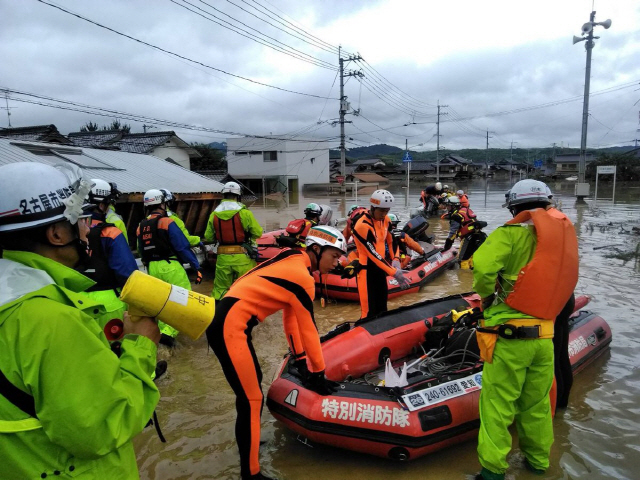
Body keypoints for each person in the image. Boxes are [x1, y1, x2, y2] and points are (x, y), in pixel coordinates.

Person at [0, 162, 160, 479]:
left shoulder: (14, 303)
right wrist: (142, 345)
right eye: (80, 222)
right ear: (57, 234)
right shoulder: (51, 320)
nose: (87, 230)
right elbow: (102, 427)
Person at [206, 225, 346, 480]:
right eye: (335, 256)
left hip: (227, 321)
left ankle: (248, 442)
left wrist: (301, 359)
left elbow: (291, 319)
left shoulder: (293, 259)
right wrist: (319, 373)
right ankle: (251, 475)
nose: (338, 262)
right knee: (251, 399)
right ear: (316, 249)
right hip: (230, 327)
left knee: (251, 393)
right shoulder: (303, 277)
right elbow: (310, 330)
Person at [472, 179, 579, 480]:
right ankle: (538, 463)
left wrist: (487, 296)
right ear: (547, 204)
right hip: (545, 337)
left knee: (497, 405)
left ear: (514, 207)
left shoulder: (510, 234)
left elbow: (481, 266)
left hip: (509, 337)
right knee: (536, 406)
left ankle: (492, 472)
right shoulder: (562, 236)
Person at [137, 188, 202, 346]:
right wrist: (196, 267)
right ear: (162, 204)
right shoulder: (167, 222)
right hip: (170, 266)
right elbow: (182, 246)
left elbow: (140, 250)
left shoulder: (141, 225)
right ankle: (168, 334)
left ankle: (159, 333)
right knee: (183, 301)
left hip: (151, 268)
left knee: (162, 303)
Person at [83, 188, 138, 333]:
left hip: (76, 302)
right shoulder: (110, 232)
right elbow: (128, 273)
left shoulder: (68, 232)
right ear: (102, 205)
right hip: (108, 303)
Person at [352, 190, 410, 319]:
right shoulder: (362, 226)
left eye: (386, 211)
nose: (384, 214)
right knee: (368, 312)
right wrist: (393, 272)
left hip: (380, 269)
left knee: (382, 307)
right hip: (366, 271)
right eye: (381, 211)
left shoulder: (386, 220)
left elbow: (391, 241)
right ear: (373, 208)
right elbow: (372, 253)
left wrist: (395, 259)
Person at [205, 181, 263, 300]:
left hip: (223, 258)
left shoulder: (214, 214)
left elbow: (209, 237)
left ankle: (219, 312)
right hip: (243, 257)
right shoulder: (244, 213)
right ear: (238, 196)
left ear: (224, 195)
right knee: (245, 287)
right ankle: (244, 313)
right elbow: (257, 233)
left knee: (220, 289)